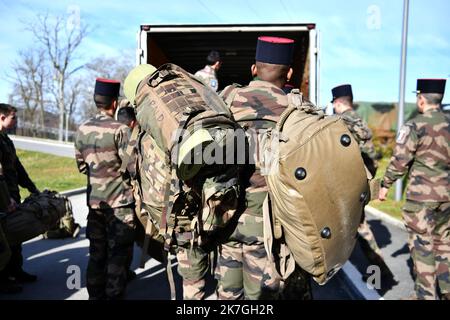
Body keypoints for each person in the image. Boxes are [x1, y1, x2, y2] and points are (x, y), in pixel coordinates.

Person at [217, 36, 311, 300]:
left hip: (225, 218)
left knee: (228, 295)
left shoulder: (226, 99)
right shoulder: (298, 110)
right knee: (263, 297)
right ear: (289, 73)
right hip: (272, 227)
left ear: (253, 69)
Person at [378, 79, 450, 300]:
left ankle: (425, 296)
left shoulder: (414, 126)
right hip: (447, 197)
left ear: (421, 99)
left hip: (421, 198)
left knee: (423, 248)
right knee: (445, 245)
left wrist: (385, 185)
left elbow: (400, 161)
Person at [75, 79, 136, 300]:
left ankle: (95, 296)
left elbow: (82, 166)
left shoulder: (82, 129)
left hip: (95, 203)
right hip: (120, 205)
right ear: (115, 103)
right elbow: (132, 166)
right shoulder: (120, 130)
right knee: (118, 256)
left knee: (97, 254)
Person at [331, 85, 395, 284]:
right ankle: (377, 269)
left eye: (334, 103)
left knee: (357, 226)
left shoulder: (339, 123)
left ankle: (379, 270)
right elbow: (373, 157)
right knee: (355, 225)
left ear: (338, 102)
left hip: (344, 186)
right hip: (360, 185)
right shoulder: (360, 121)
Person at [0, 103, 39, 294]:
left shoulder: (5, 139)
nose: (16, 121)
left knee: (17, 236)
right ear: (2, 117)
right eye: (13, 117)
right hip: (3, 199)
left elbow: (17, 167)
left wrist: (32, 188)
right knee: (5, 240)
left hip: (12, 196)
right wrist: (6, 201)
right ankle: (5, 278)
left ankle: (17, 270)